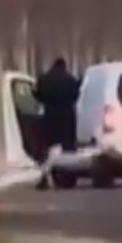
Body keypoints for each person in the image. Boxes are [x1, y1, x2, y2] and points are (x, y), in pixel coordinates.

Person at [33, 57, 81, 189]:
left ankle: (44, 177)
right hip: (67, 116)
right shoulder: (70, 79)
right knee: (68, 148)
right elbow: (76, 95)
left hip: (50, 115)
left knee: (47, 148)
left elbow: (37, 94)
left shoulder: (44, 79)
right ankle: (69, 177)